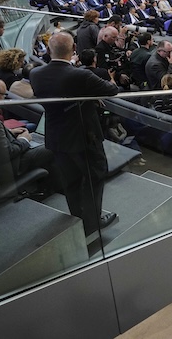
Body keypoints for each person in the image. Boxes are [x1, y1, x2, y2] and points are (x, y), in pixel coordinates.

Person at [30, 32, 120, 237]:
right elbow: (111, 90)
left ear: (49, 50)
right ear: (73, 51)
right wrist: (91, 96)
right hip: (84, 135)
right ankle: (93, 222)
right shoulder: (80, 75)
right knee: (94, 176)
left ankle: (78, 217)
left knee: (70, 180)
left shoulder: (36, 74)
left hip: (56, 136)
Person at [0, 78, 56, 195]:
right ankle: (52, 190)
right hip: (9, 168)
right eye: (4, 94)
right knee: (52, 145)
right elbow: (8, 153)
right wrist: (24, 140)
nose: (5, 97)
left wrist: (9, 133)